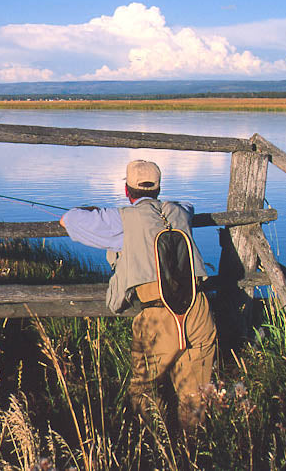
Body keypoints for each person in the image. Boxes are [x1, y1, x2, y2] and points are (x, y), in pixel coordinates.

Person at [59, 160, 216, 429]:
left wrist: (92, 210)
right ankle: (193, 453)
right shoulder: (179, 211)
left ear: (126, 189)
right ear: (159, 188)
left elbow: (69, 220)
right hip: (199, 310)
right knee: (196, 396)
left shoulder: (122, 219)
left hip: (157, 314)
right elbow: (189, 206)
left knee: (143, 392)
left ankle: (152, 446)